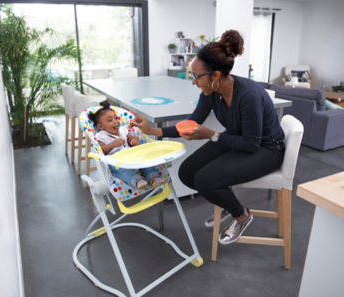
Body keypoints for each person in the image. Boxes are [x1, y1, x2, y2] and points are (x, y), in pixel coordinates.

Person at [130, 30, 285, 245]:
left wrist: (211, 135)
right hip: (238, 141)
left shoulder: (248, 96)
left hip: (266, 150)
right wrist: (152, 131)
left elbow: (250, 144)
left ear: (216, 76)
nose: (193, 82)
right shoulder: (210, 93)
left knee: (205, 180)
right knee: (186, 173)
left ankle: (241, 215)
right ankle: (229, 205)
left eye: (196, 77)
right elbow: (192, 124)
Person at [88, 101, 166, 190]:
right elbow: (102, 151)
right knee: (122, 171)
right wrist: (113, 144)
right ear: (101, 126)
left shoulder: (122, 130)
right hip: (116, 162)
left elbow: (129, 137)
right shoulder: (101, 136)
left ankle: (153, 177)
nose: (115, 122)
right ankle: (138, 180)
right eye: (110, 120)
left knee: (145, 160)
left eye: (116, 118)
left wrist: (133, 140)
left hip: (131, 157)